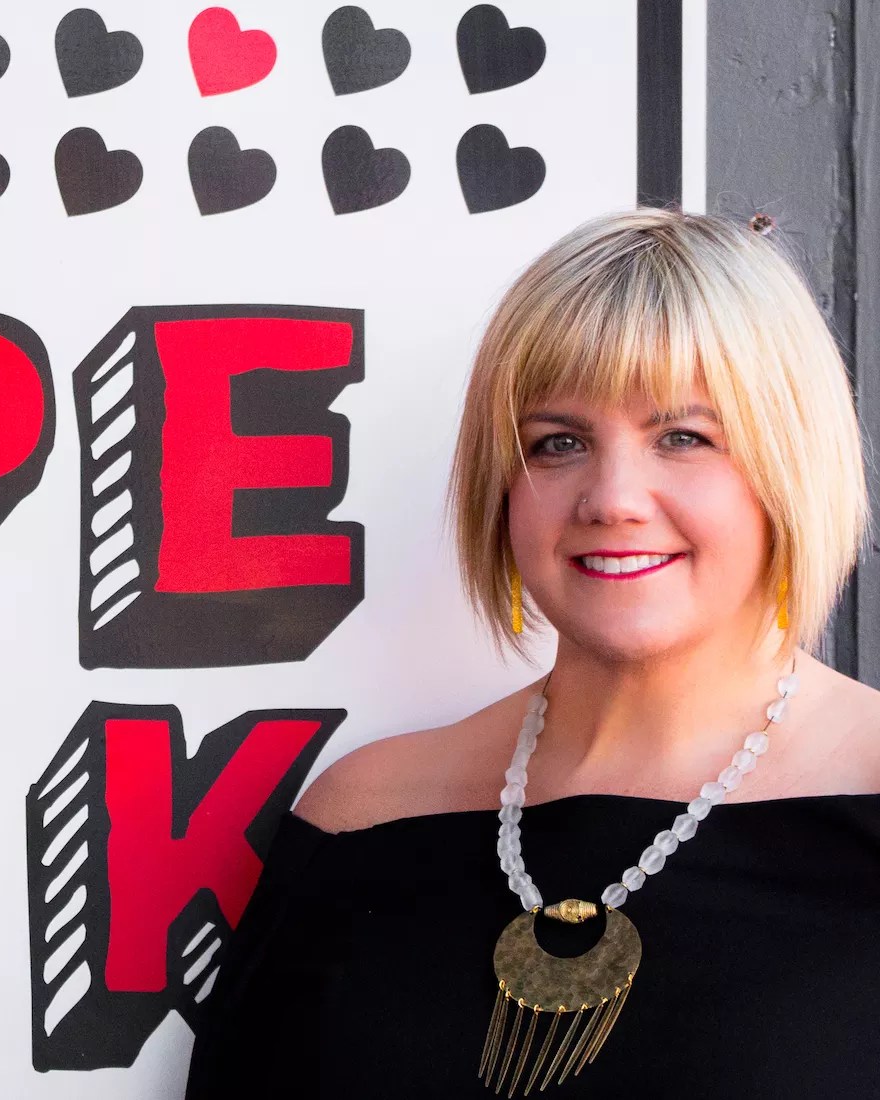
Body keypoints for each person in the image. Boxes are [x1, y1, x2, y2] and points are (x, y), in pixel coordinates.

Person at [184, 208, 880, 1097]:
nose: (613, 497)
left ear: (791, 466)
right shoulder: (362, 820)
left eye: (684, 437)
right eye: (559, 443)